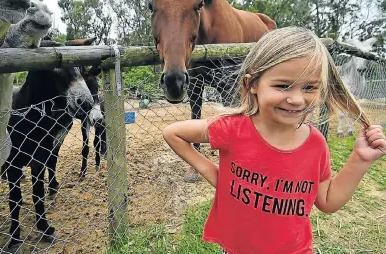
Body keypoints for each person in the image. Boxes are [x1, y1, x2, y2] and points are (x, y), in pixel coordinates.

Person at [162, 27, 386, 253]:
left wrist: (360, 160)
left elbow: (328, 201)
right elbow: (174, 133)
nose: (297, 99)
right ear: (252, 84)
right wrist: (217, 176)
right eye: (283, 85)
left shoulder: (316, 144)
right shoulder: (234, 128)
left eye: (309, 87)